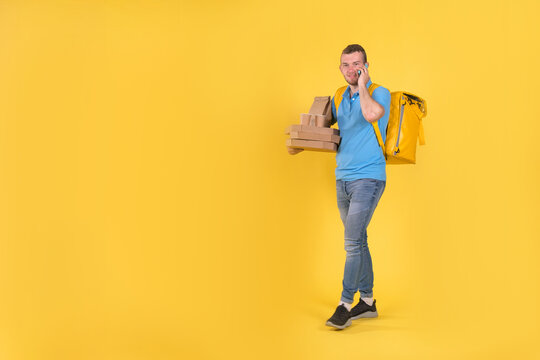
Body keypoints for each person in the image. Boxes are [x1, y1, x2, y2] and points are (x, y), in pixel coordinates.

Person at [326, 44, 391, 329]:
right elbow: (324, 129)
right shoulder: (339, 96)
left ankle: (344, 303)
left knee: (352, 243)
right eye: (346, 65)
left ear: (366, 66)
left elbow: (372, 115)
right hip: (343, 178)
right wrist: (300, 145)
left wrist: (363, 85)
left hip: (369, 177)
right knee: (359, 240)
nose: (351, 70)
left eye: (357, 64)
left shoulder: (378, 92)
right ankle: (368, 301)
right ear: (340, 68)